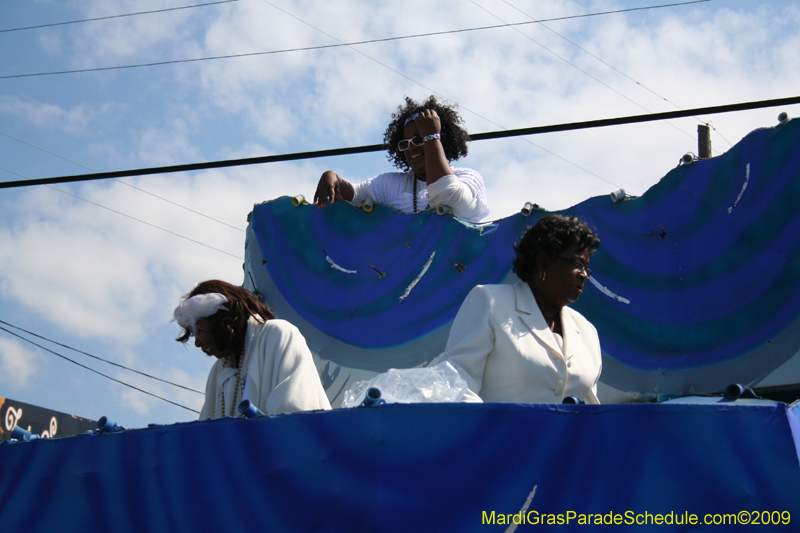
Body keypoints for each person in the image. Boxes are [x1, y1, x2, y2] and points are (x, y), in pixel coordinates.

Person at [441, 214, 602, 404]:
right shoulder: (490, 302)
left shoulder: (587, 331)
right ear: (543, 261)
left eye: (586, 268)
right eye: (577, 264)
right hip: (498, 433)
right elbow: (458, 383)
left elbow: (592, 408)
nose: (584, 275)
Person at [313, 96, 490, 223]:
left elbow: (447, 194)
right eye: (405, 143)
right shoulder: (392, 184)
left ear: (441, 140)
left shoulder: (469, 179)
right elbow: (354, 196)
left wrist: (431, 137)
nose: (411, 148)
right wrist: (332, 177)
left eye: (419, 139)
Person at [174, 280, 331, 419]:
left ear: (219, 319)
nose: (197, 343)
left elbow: (295, 418)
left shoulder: (278, 334)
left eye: (198, 331)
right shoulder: (218, 371)